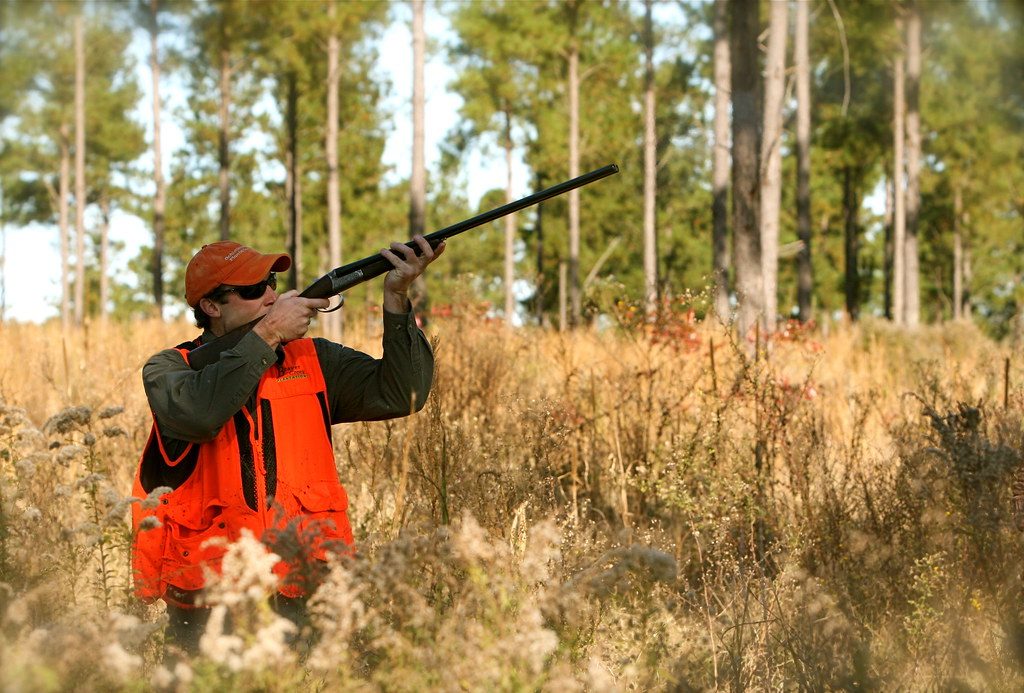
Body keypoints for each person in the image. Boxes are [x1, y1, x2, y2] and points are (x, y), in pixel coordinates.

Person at [130, 236, 444, 654]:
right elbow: (200, 414)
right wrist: (269, 333)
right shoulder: (171, 368)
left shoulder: (313, 359)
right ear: (210, 306)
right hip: (208, 596)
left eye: (271, 282)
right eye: (252, 289)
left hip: (304, 585)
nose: (270, 296)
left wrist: (397, 297)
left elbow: (402, 392)